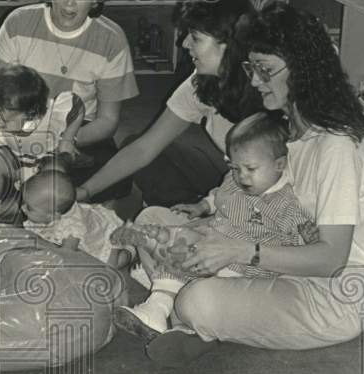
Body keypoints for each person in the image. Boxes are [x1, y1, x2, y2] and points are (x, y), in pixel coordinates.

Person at [126, 3, 364, 367]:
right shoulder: (285, 128)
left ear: (301, 70)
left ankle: (189, 313)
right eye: (251, 68)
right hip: (272, 260)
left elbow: (331, 260)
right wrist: (211, 222)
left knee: (196, 301)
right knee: (152, 220)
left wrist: (236, 250)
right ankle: (204, 320)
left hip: (329, 297)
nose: (253, 80)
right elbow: (259, 206)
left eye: (264, 70)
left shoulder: (337, 145)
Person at [111, 111, 317, 336]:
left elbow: (299, 241)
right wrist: (203, 206)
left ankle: (167, 304)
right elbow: (220, 194)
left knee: (181, 256)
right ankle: (161, 310)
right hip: (212, 240)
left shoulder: (285, 202)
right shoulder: (235, 180)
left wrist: (308, 234)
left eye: (250, 169)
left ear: (279, 165)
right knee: (163, 232)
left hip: (243, 270)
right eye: (234, 168)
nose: (241, 177)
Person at [0, 0, 139, 201]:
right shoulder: (18, 22)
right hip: (19, 125)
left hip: (78, 132)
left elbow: (108, 121)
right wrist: (17, 136)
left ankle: (36, 192)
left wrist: (64, 141)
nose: (68, 4)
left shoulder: (112, 39)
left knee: (113, 179)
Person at [76, 0, 263, 208]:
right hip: (231, 174)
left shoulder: (265, 89)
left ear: (228, 45)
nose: (183, 44)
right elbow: (144, 148)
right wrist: (85, 190)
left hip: (265, 188)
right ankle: (182, 212)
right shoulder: (202, 81)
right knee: (140, 150)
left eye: (195, 37)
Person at [0, 65, 84, 222]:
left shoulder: (50, 119)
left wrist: (68, 139)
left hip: (45, 160)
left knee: (55, 177)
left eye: (5, 120)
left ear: (31, 114)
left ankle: (46, 214)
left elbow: (77, 106)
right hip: (19, 160)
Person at [21, 169, 134, 271]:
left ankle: (130, 250)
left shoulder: (71, 229)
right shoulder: (48, 211)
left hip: (102, 237)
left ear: (53, 216)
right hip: (88, 220)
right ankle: (108, 207)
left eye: (29, 207)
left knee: (109, 267)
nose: (22, 207)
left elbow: (66, 257)